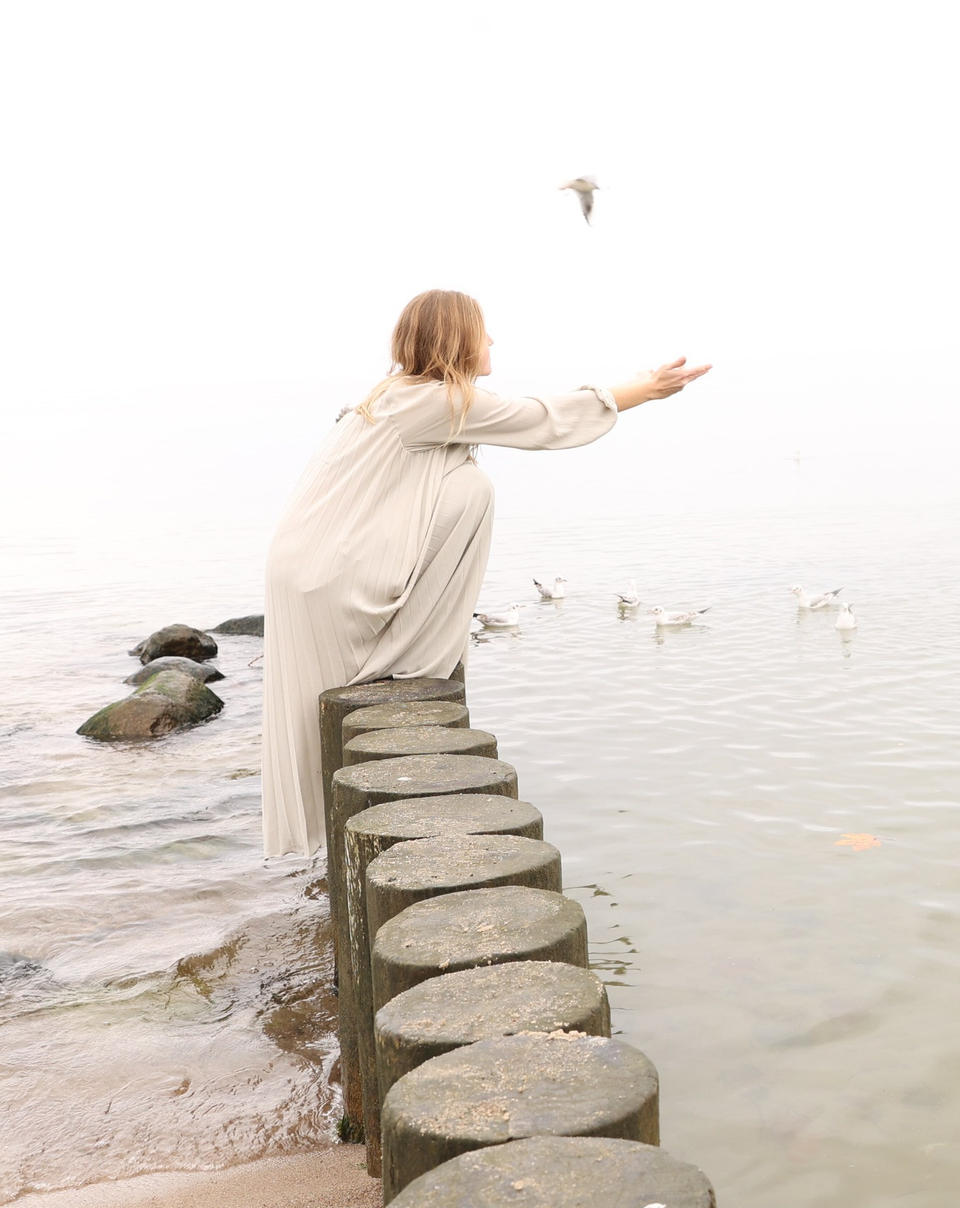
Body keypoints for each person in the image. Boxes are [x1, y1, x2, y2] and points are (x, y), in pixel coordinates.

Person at [260, 289, 708, 855]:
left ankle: (396, 693)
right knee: (473, 487)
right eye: (483, 330)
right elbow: (539, 419)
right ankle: (414, 666)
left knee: (314, 718)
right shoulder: (432, 402)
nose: (493, 340)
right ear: (456, 339)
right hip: (327, 574)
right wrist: (644, 388)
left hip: (312, 567)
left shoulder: (400, 396)